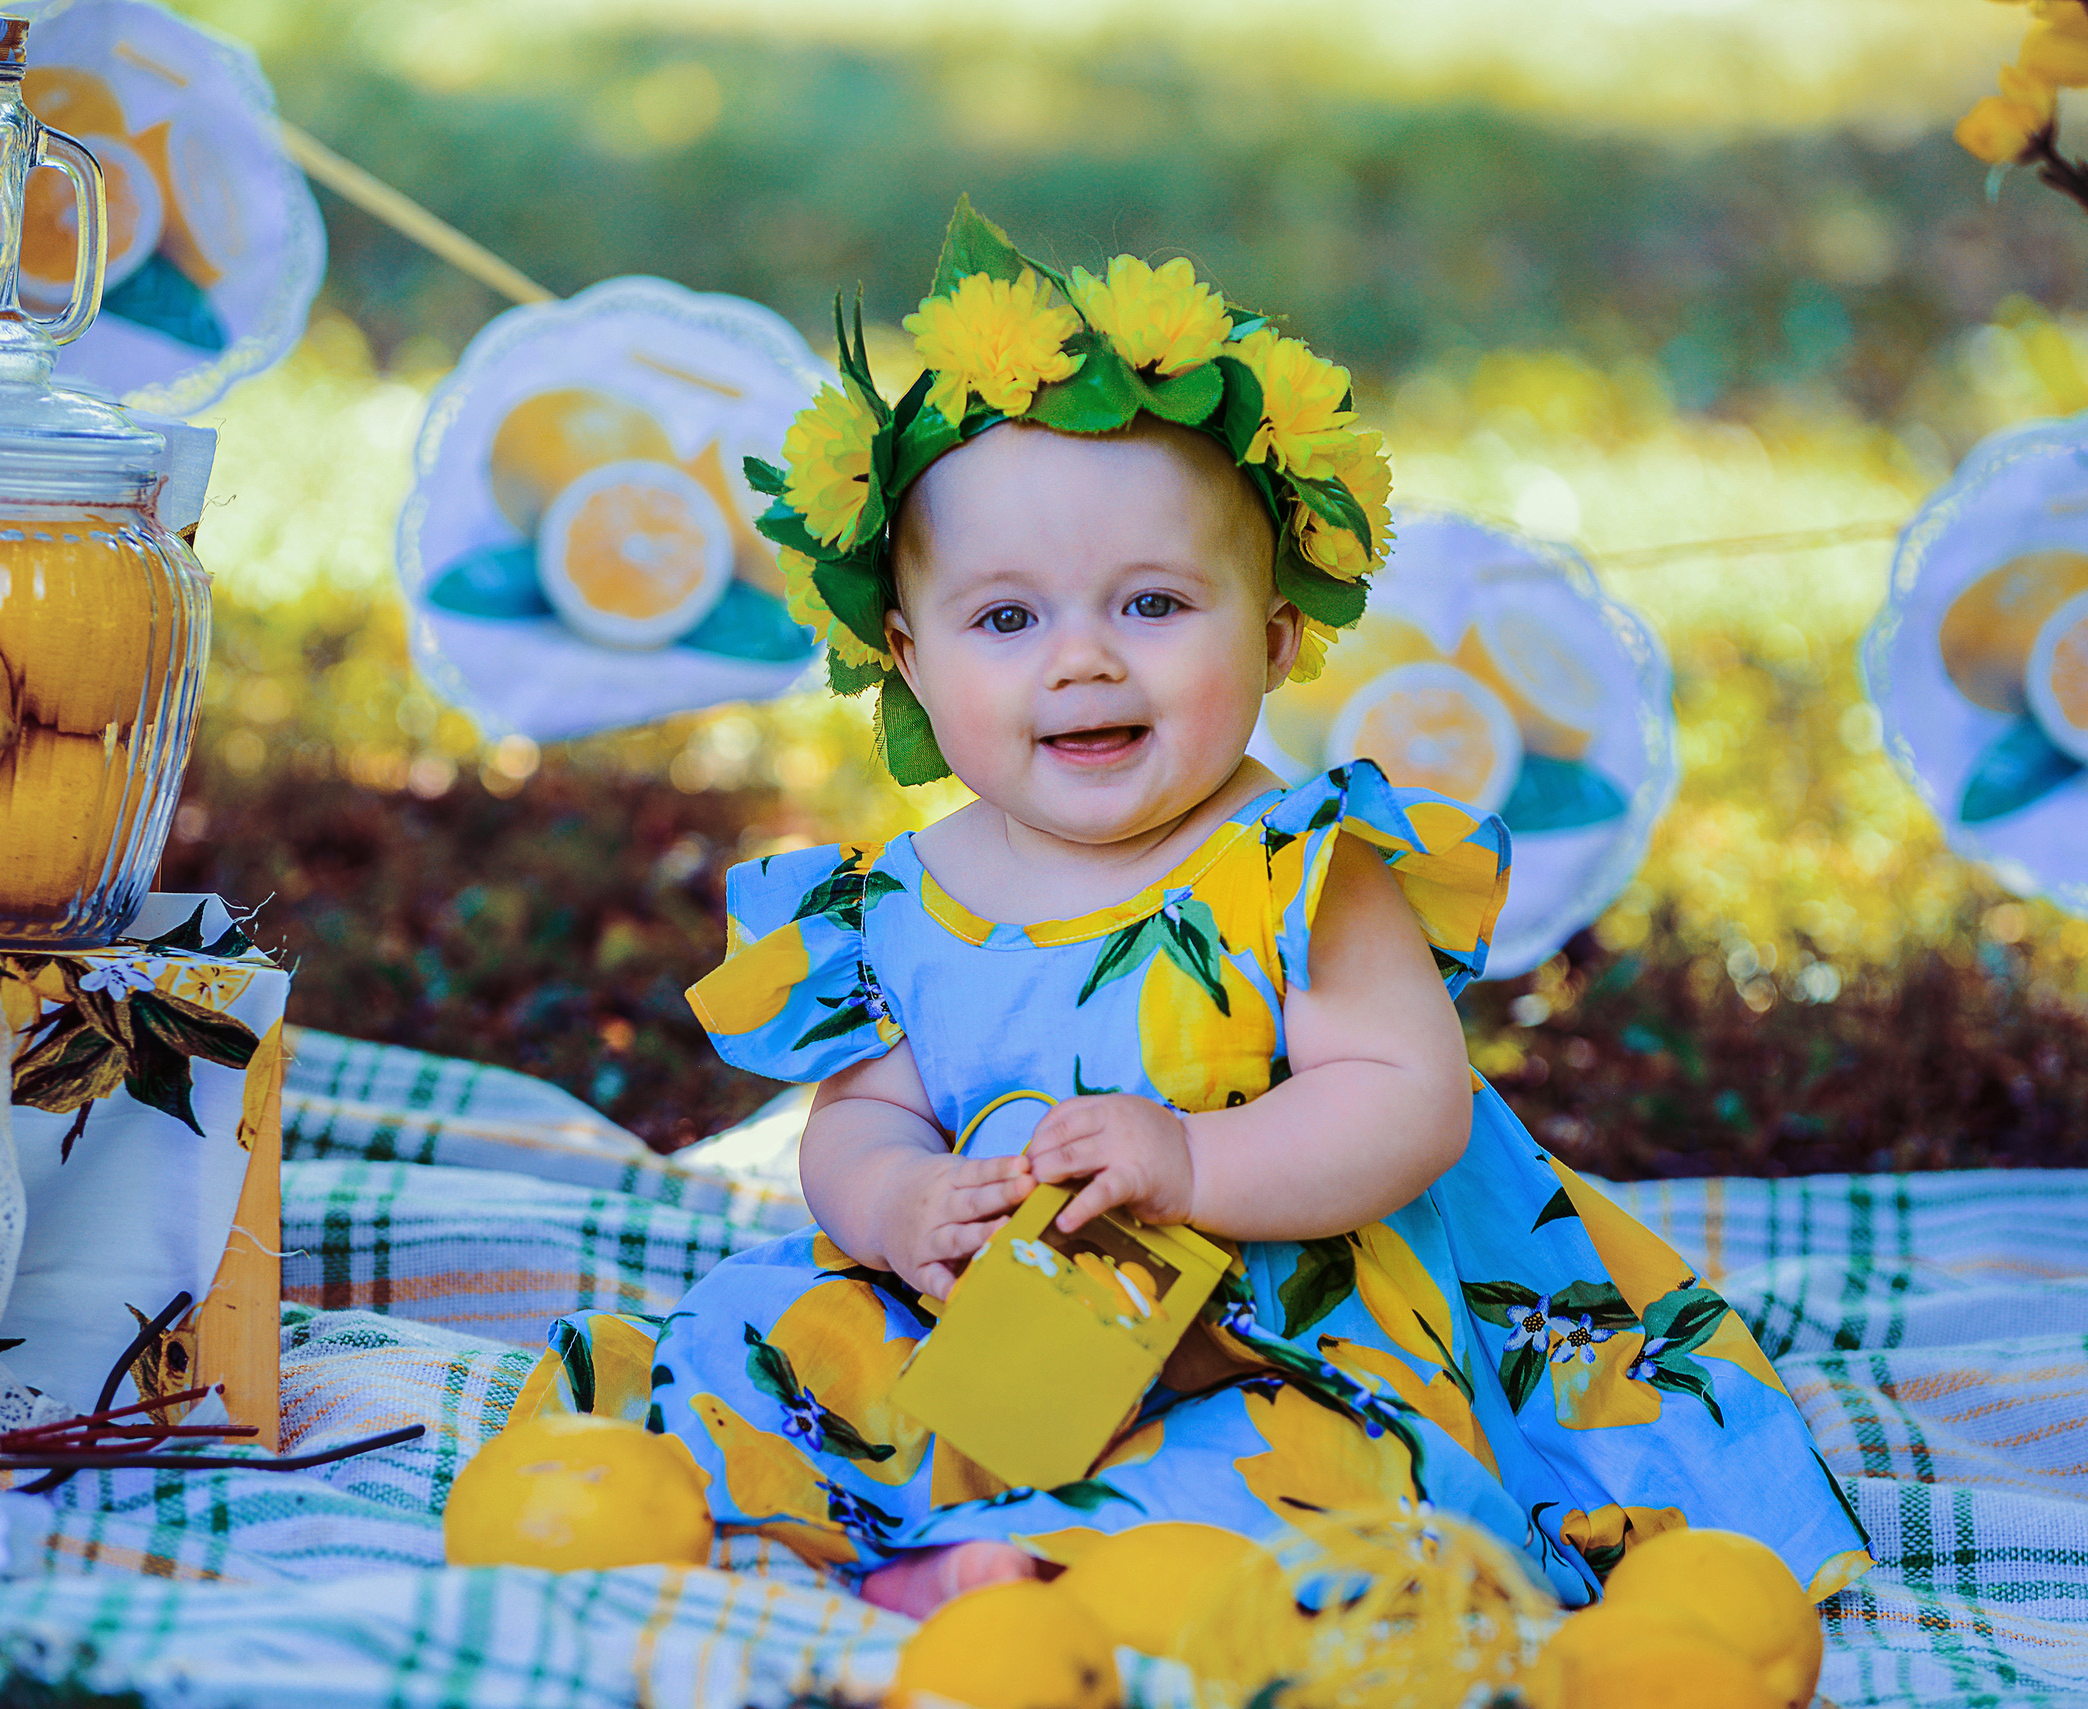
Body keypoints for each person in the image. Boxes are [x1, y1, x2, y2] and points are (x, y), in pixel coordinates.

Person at [547, 200, 1871, 1618]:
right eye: (1006, 621)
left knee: (1295, 1465)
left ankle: (1051, 1567)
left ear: (1278, 634)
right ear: (907, 657)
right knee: (762, 1331)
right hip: (1004, 1317)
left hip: (1285, 1322)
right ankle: (857, 1526)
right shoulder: (892, 907)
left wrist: (1192, 1163)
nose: (1082, 663)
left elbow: (1404, 1100)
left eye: (1155, 604)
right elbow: (862, 1119)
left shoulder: (1297, 865)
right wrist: (900, 1202)